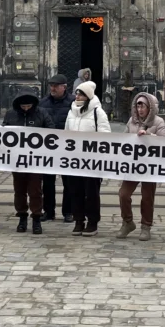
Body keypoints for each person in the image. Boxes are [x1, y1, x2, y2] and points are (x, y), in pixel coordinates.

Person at [3, 90, 55, 234]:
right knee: (19, 190)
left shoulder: (42, 113)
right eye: (23, 106)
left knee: (35, 190)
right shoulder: (11, 114)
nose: (26, 109)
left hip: (36, 159)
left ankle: (36, 218)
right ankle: (22, 217)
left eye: (28, 106)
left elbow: (51, 131)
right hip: (17, 159)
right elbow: (3, 132)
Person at [118, 92, 165, 241]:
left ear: (150, 107)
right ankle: (127, 222)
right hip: (133, 165)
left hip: (150, 166)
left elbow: (164, 143)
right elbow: (124, 139)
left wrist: (149, 137)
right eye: (138, 106)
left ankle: (146, 226)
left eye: (143, 106)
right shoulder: (131, 121)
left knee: (147, 197)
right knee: (123, 194)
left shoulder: (158, 122)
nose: (140, 109)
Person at [64, 81, 111, 236]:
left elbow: (105, 135)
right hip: (74, 160)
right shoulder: (71, 111)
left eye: (81, 94)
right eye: (77, 93)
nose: (77, 96)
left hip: (92, 160)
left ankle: (92, 222)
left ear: (88, 96)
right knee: (75, 191)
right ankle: (78, 220)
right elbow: (66, 133)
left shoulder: (98, 112)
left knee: (91, 193)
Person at [38, 74, 75, 222]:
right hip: (49, 148)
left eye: (55, 86)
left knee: (69, 182)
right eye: (51, 85)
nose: (52, 88)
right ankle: (48, 211)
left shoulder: (73, 102)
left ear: (64, 87)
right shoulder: (43, 102)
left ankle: (68, 211)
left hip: (67, 148)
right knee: (47, 182)